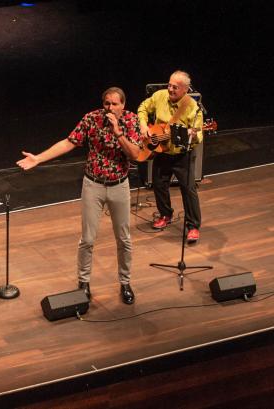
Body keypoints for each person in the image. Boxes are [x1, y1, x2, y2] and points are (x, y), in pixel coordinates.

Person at [17, 87, 141, 304]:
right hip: (93, 185)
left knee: (124, 239)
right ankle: (83, 283)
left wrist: (117, 132)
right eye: (106, 104)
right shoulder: (92, 119)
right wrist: (39, 158)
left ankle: (125, 282)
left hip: (119, 186)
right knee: (88, 239)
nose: (109, 108)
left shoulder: (131, 121)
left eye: (114, 104)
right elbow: (68, 142)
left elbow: (135, 154)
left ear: (123, 105)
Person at [137, 70, 203, 243]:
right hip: (163, 152)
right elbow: (143, 108)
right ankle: (165, 215)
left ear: (185, 90)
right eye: (170, 85)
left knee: (188, 190)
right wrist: (144, 126)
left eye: (175, 87)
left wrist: (191, 134)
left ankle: (193, 226)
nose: (171, 89)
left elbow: (199, 134)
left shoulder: (192, 108)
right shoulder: (159, 96)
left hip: (183, 154)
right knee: (159, 185)